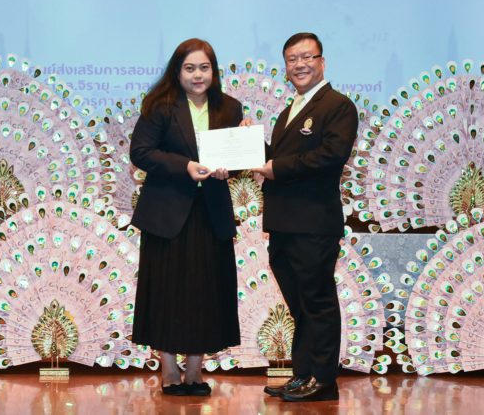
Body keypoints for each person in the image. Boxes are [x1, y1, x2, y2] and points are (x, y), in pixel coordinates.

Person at [129, 38, 243, 397]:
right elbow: (141, 152)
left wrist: (231, 167)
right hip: (166, 215)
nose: (197, 75)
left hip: (211, 214)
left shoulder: (230, 108)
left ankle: (195, 371)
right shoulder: (159, 105)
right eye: (190, 68)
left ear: (214, 71)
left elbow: (237, 161)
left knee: (206, 292)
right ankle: (168, 369)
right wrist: (186, 166)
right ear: (177, 71)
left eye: (204, 68)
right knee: (166, 291)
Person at [253, 32, 358, 403]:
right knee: (300, 305)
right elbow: (279, 160)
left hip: (314, 222)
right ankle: (303, 374)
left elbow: (331, 156)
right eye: (291, 59)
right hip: (283, 223)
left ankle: (324, 381)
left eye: (306, 57)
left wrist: (276, 167)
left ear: (322, 62)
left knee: (317, 301)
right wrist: (252, 145)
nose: (299, 65)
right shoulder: (290, 110)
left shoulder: (338, 106)